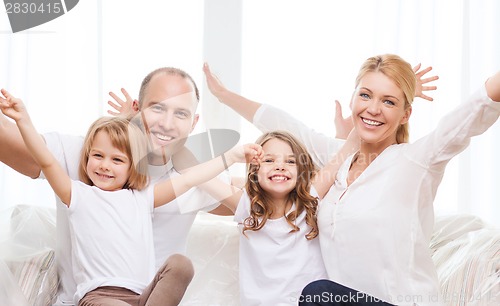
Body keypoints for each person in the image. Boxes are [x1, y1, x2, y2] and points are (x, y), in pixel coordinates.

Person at [204, 56, 500, 305]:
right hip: (340, 299)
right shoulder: (338, 159)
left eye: (389, 101)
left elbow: (470, 115)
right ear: (353, 99)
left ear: (406, 113)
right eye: (366, 95)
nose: (373, 108)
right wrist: (224, 96)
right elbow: (285, 126)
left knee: (315, 294)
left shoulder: (417, 160)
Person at [0, 89, 263, 305]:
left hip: (142, 297)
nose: (105, 165)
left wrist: (233, 156)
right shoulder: (76, 194)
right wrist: (23, 120)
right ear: (87, 157)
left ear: (132, 167)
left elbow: (191, 177)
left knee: (181, 265)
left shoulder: (142, 197)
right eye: (98, 156)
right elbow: (45, 160)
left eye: (117, 160)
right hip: (99, 297)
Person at [198, 129, 358, 305]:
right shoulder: (247, 207)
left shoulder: (310, 200)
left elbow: (347, 150)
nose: (280, 166)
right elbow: (195, 173)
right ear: (254, 171)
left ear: (301, 172)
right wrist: (232, 156)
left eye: (290, 161)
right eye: (269, 160)